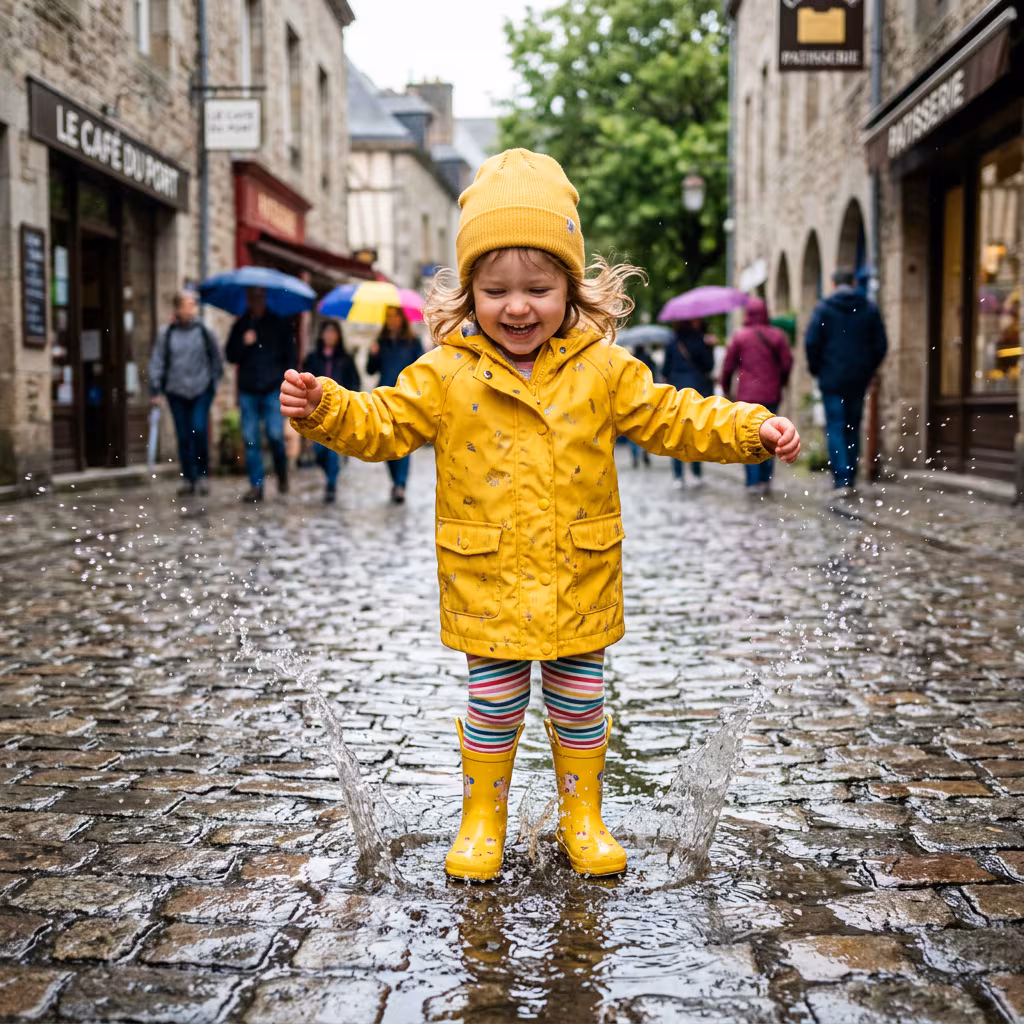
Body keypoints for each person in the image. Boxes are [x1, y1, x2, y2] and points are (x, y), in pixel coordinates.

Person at [280, 148, 800, 882]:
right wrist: (330, 407)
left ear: (570, 289)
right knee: (493, 703)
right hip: (486, 573)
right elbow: (385, 422)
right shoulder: (445, 371)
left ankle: (581, 816)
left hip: (577, 572)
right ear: (469, 292)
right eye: (495, 290)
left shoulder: (603, 368)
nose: (517, 307)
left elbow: (673, 417)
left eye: (538, 287)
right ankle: (482, 819)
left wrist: (750, 427)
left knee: (580, 700)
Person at [805, 266, 888, 496]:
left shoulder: (823, 309)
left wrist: (817, 369)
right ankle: (850, 475)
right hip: (858, 377)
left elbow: (812, 342)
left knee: (836, 426)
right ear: (853, 283)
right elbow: (880, 344)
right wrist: (868, 368)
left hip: (831, 377)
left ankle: (841, 479)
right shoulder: (868, 309)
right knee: (852, 425)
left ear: (833, 284)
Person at [225, 286, 297, 502]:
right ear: (248, 299)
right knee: (250, 440)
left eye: (259, 296)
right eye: (252, 297)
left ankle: (281, 472)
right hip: (248, 390)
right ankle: (256, 486)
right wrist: (243, 343)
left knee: (275, 435)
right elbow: (230, 355)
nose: (256, 301)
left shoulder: (279, 324)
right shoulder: (241, 325)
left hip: (272, 388)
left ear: (264, 298)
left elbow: (290, 356)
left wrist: (287, 381)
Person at [148, 289, 223, 497]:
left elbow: (216, 359)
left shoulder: (204, 332)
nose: (192, 309)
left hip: (201, 389)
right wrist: (155, 387)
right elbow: (158, 360)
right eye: (188, 305)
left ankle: (202, 474)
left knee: (198, 429)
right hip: (176, 390)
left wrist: (212, 383)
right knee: (183, 434)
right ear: (178, 308)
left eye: (194, 305)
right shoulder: (168, 333)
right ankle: (188, 477)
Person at [720, 297, 793, 495]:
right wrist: (782, 381)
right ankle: (765, 480)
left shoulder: (740, 337)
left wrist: (725, 387)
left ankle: (752, 481)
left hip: (747, 396)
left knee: (747, 436)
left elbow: (728, 366)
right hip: (771, 394)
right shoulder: (777, 336)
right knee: (772, 436)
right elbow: (787, 363)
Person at [366, 306, 423, 503]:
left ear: (402, 319)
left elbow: (422, 369)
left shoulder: (412, 342)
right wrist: (373, 354)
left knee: (403, 441)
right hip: (383, 397)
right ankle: (395, 481)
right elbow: (370, 370)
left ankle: (400, 484)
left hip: (405, 397)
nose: (392, 320)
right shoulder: (380, 342)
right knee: (386, 442)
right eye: (388, 316)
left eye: (395, 316)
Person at [302, 320, 361, 503]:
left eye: (333, 332)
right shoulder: (313, 359)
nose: (329, 336)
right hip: (316, 410)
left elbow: (354, 383)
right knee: (320, 451)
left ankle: (331, 483)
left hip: (338, 410)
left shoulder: (345, 359)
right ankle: (330, 472)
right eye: (326, 332)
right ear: (321, 335)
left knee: (333, 448)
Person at [661, 319, 715, 487]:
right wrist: (709, 348)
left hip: (676, 392)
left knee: (676, 434)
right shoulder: (699, 341)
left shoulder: (672, 343)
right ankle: (696, 473)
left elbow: (665, 370)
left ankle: (678, 475)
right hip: (697, 392)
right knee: (696, 433)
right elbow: (709, 366)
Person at [629, 343, 655, 467]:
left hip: (631, 399)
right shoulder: (648, 359)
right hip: (646, 397)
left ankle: (634, 456)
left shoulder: (629, 359)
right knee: (645, 427)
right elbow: (655, 376)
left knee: (632, 428)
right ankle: (645, 451)